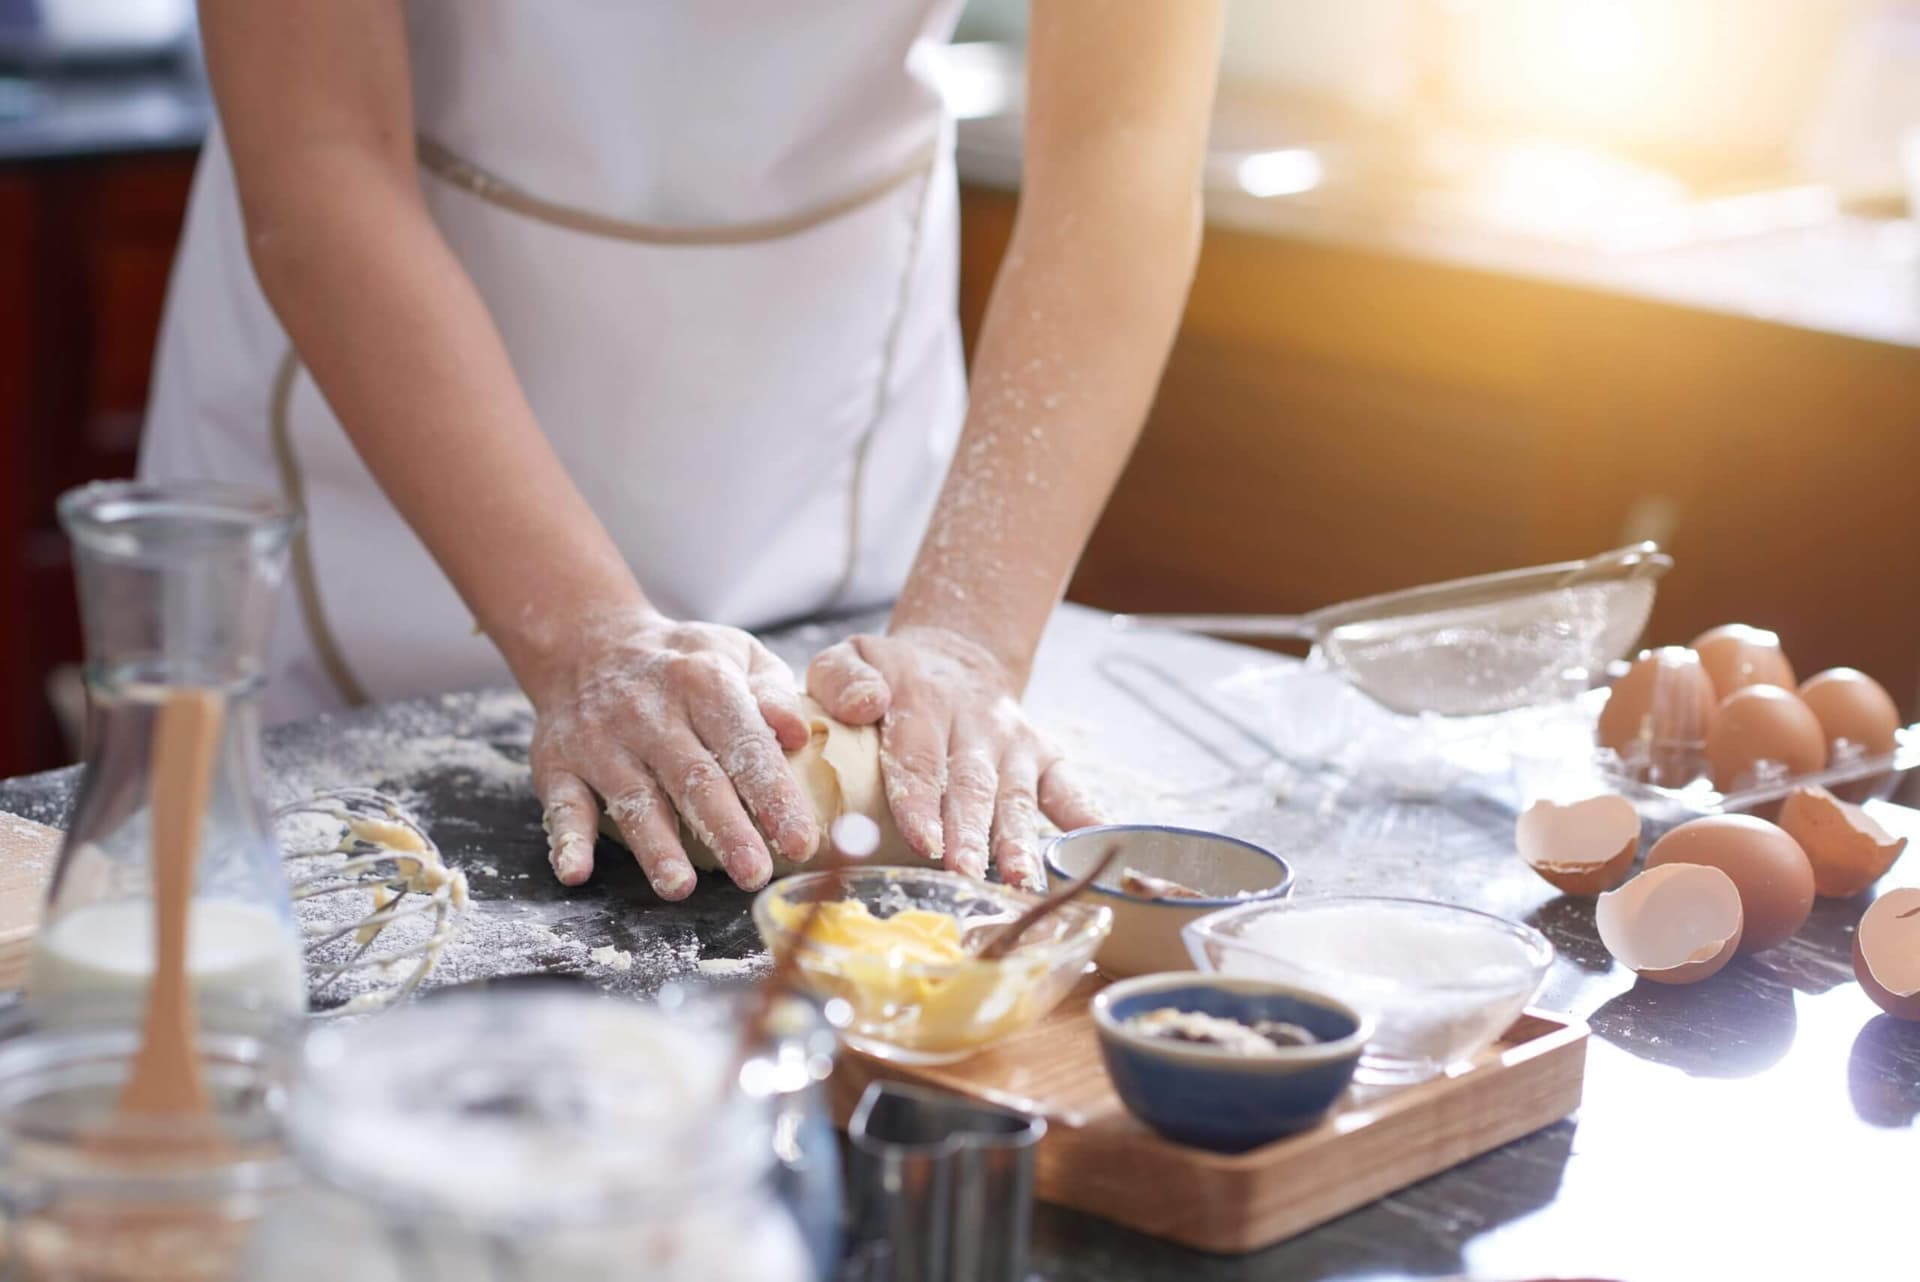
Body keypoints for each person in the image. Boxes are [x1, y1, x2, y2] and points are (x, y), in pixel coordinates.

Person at [143, 1, 1223, 898]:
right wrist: (580, 637)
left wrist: (970, 636)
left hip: (824, 402)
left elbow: (1123, 135)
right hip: (379, 434)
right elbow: (317, 147)